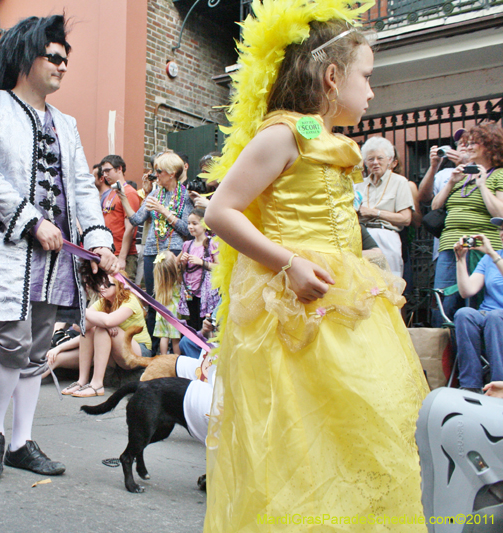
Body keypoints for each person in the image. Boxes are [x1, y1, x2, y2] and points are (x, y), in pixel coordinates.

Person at [202, 3, 429, 529]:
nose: (372, 91)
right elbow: (221, 210)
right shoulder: (282, 134)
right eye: (366, 77)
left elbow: (314, 152)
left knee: (356, 423)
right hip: (294, 309)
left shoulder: (313, 135)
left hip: (340, 301)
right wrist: (290, 265)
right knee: (299, 434)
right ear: (332, 77)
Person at [0, 14, 116, 481]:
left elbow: (84, 190)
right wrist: (31, 220)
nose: (63, 66)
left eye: (66, 59)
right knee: (9, 339)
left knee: (37, 347)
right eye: (54, 57)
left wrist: (98, 241)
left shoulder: (66, 124)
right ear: (27, 55)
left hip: (55, 257)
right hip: (6, 243)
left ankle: (21, 442)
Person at [118, 151, 193, 341]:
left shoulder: (185, 196)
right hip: (152, 251)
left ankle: (171, 345)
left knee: (170, 301)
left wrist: (163, 211)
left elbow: (188, 230)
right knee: (152, 300)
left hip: (173, 251)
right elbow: (135, 220)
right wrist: (123, 198)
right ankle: (152, 345)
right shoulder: (155, 193)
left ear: (171, 173)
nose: (155, 174)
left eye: (158, 171)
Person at [431, 124, 503, 316]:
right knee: (444, 302)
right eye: (466, 144)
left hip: (483, 247)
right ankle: (445, 345)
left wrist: (482, 186)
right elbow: (435, 206)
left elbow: (501, 213)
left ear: (490, 146)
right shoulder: (461, 175)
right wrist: (451, 183)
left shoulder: (499, 174)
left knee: (474, 303)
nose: (468, 148)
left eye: (474, 144)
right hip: (450, 245)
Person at [58, 274, 152, 398]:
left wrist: (82, 310)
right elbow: (78, 326)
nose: (102, 287)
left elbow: (108, 322)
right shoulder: (103, 301)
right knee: (90, 329)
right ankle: (82, 381)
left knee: (102, 328)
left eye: (107, 284)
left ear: (119, 286)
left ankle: (97, 385)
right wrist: (98, 321)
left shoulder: (130, 300)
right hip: (118, 354)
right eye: (100, 283)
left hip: (140, 352)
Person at [417, 131, 469, 326]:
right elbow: (426, 199)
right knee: (444, 300)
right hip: (447, 246)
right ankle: (444, 350)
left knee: (474, 299)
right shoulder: (445, 174)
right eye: (460, 143)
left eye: (469, 143)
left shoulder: (488, 172)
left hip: (477, 244)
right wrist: (433, 166)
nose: (464, 146)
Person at [453, 220, 503, 393]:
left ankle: (499, 384)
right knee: (464, 313)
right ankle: (470, 385)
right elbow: (467, 291)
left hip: (496, 316)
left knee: (495, 316)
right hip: (488, 313)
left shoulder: (493, 257)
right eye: (501, 229)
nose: (502, 233)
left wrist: (493, 256)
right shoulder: (489, 260)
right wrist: (461, 259)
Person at [355, 136, 414, 277]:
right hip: (360, 236)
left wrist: (374, 213)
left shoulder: (400, 182)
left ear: (389, 160)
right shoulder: (358, 185)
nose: (375, 162)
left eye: (380, 158)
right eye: (370, 159)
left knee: (389, 283)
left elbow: (406, 219)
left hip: (386, 235)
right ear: (365, 162)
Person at [100, 155, 141, 280]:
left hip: (122, 255)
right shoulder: (111, 191)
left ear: (119, 169)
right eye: (103, 172)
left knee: (124, 294)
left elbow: (130, 227)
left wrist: (122, 258)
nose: (105, 174)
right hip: (110, 251)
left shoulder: (129, 192)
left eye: (108, 170)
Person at [178, 208, 219, 331]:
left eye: (194, 223)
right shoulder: (187, 245)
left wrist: (201, 262)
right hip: (189, 290)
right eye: (189, 223)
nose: (190, 226)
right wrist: (183, 263)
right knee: (191, 320)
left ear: (205, 225)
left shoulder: (211, 243)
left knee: (204, 322)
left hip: (204, 291)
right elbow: (180, 268)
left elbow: (219, 266)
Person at [151, 250, 182, 355]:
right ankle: (176, 360)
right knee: (175, 340)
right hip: (173, 314)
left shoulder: (160, 280)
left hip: (162, 313)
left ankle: (163, 357)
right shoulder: (177, 278)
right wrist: (184, 250)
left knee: (164, 337)